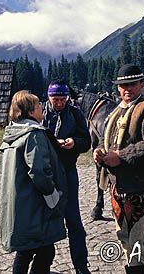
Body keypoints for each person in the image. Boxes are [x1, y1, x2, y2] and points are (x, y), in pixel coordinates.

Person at [93, 64, 144, 274]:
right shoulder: (115, 112)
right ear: (117, 87)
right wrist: (99, 151)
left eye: (132, 84)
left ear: (141, 84)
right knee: (127, 242)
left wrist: (120, 157)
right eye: (122, 85)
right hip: (118, 190)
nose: (127, 88)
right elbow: (104, 140)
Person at [0, 90, 68, 274]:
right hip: (34, 204)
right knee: (43, 250)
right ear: (30, 112)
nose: (42, 109)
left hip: (18, 203)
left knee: (27, 250)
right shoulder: (33, 134)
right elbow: (39, 170)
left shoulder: (10, 135)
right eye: (39, 106)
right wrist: (52, 194)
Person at [42, 81, 92, 274]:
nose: (60, 103)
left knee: (74, 221)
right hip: (46, 174)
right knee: (45, 221)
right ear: (49, 97)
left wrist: (74, 142)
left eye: (63, 99)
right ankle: (43, 266)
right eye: (56, 100)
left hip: (68, 172)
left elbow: (86, 141)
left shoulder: (75, 114)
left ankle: (81, 266)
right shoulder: (40, 113)